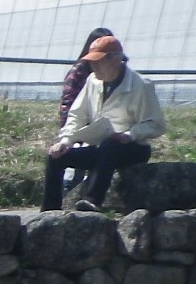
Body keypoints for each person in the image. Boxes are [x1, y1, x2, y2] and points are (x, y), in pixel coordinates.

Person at [42, 35, 164, 214]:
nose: (94, 66)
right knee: (56, 157)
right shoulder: (93, 81)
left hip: (133, 148)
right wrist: (66, 141)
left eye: (98, 62)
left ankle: (92, 200)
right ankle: (50, 210)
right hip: (100, 148)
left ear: (115, 59)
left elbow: (156, 124)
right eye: (92, 62)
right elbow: (77, 114)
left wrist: (130, 135)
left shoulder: (141, 85)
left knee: (110, 146)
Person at [58, 27, 117, 131]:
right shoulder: (80, 71)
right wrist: (67, 132)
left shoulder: (117, 73)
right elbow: (68, 103)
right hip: (82, 124)